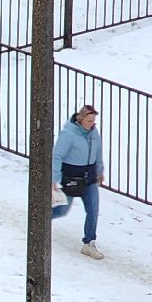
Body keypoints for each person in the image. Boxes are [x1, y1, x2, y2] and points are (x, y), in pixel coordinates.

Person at [51, 104, 105, 259]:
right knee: (62, 209)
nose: (91, 124)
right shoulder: (68, 134)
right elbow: (57, 156)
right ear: (80, 119)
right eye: (89, 121)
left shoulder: (94, 133)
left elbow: (98, 152)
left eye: (93, 121)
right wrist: (54, 178)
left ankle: (89, 243)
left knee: (93, 210)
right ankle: (40, 221)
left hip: (89, 178)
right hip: (71, 178)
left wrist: (100, 171)